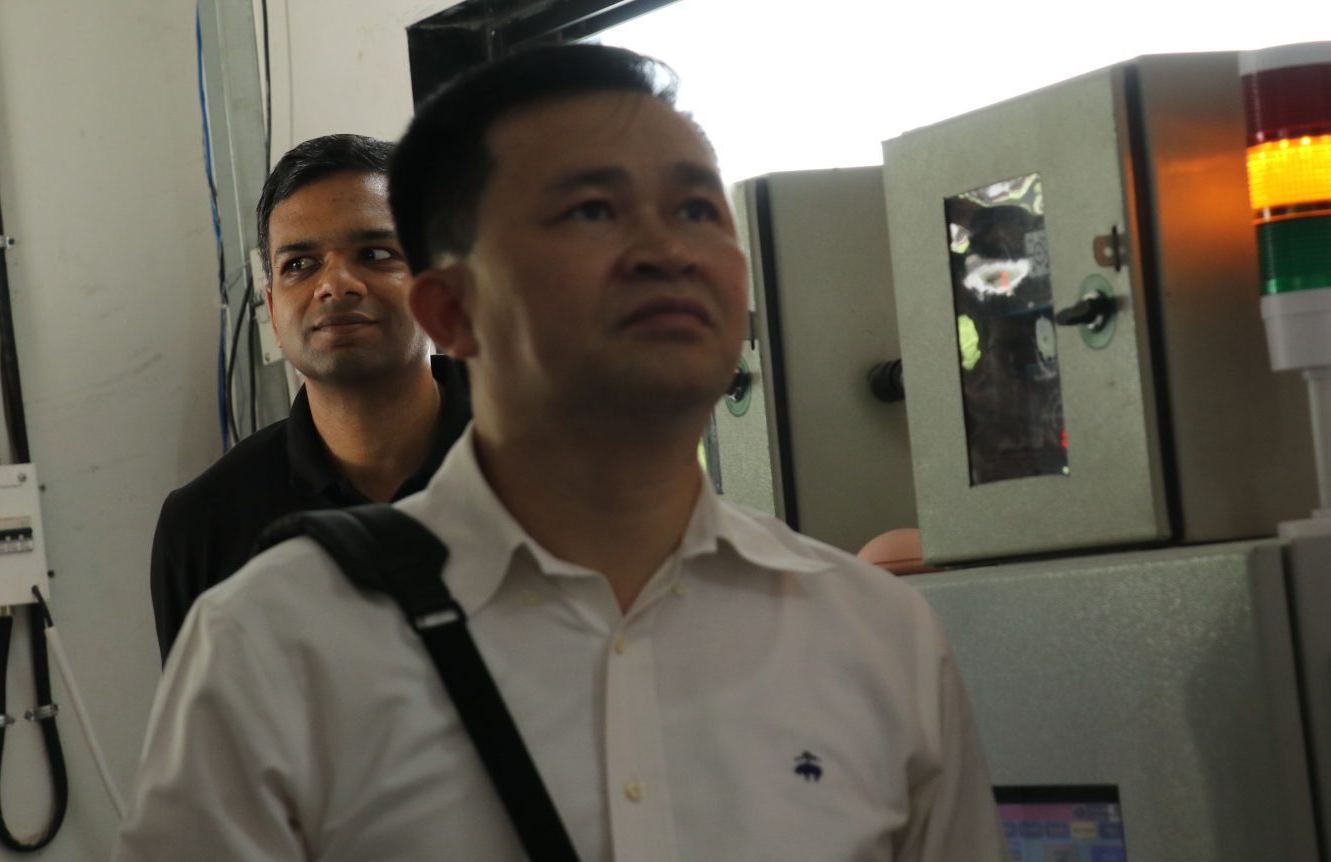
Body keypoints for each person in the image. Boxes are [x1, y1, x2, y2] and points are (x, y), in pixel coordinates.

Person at [115, 45, 1008, 860]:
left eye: (697, 208)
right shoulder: (272, 646)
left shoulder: (871, 636)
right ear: (452, 311)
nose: (667, 250)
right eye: (590, 210)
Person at [147, 134, 471, 663]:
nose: (336, 284)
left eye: (376, 254)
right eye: (299, 264)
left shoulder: (550, 467)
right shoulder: (206, 526)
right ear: (273, 312)